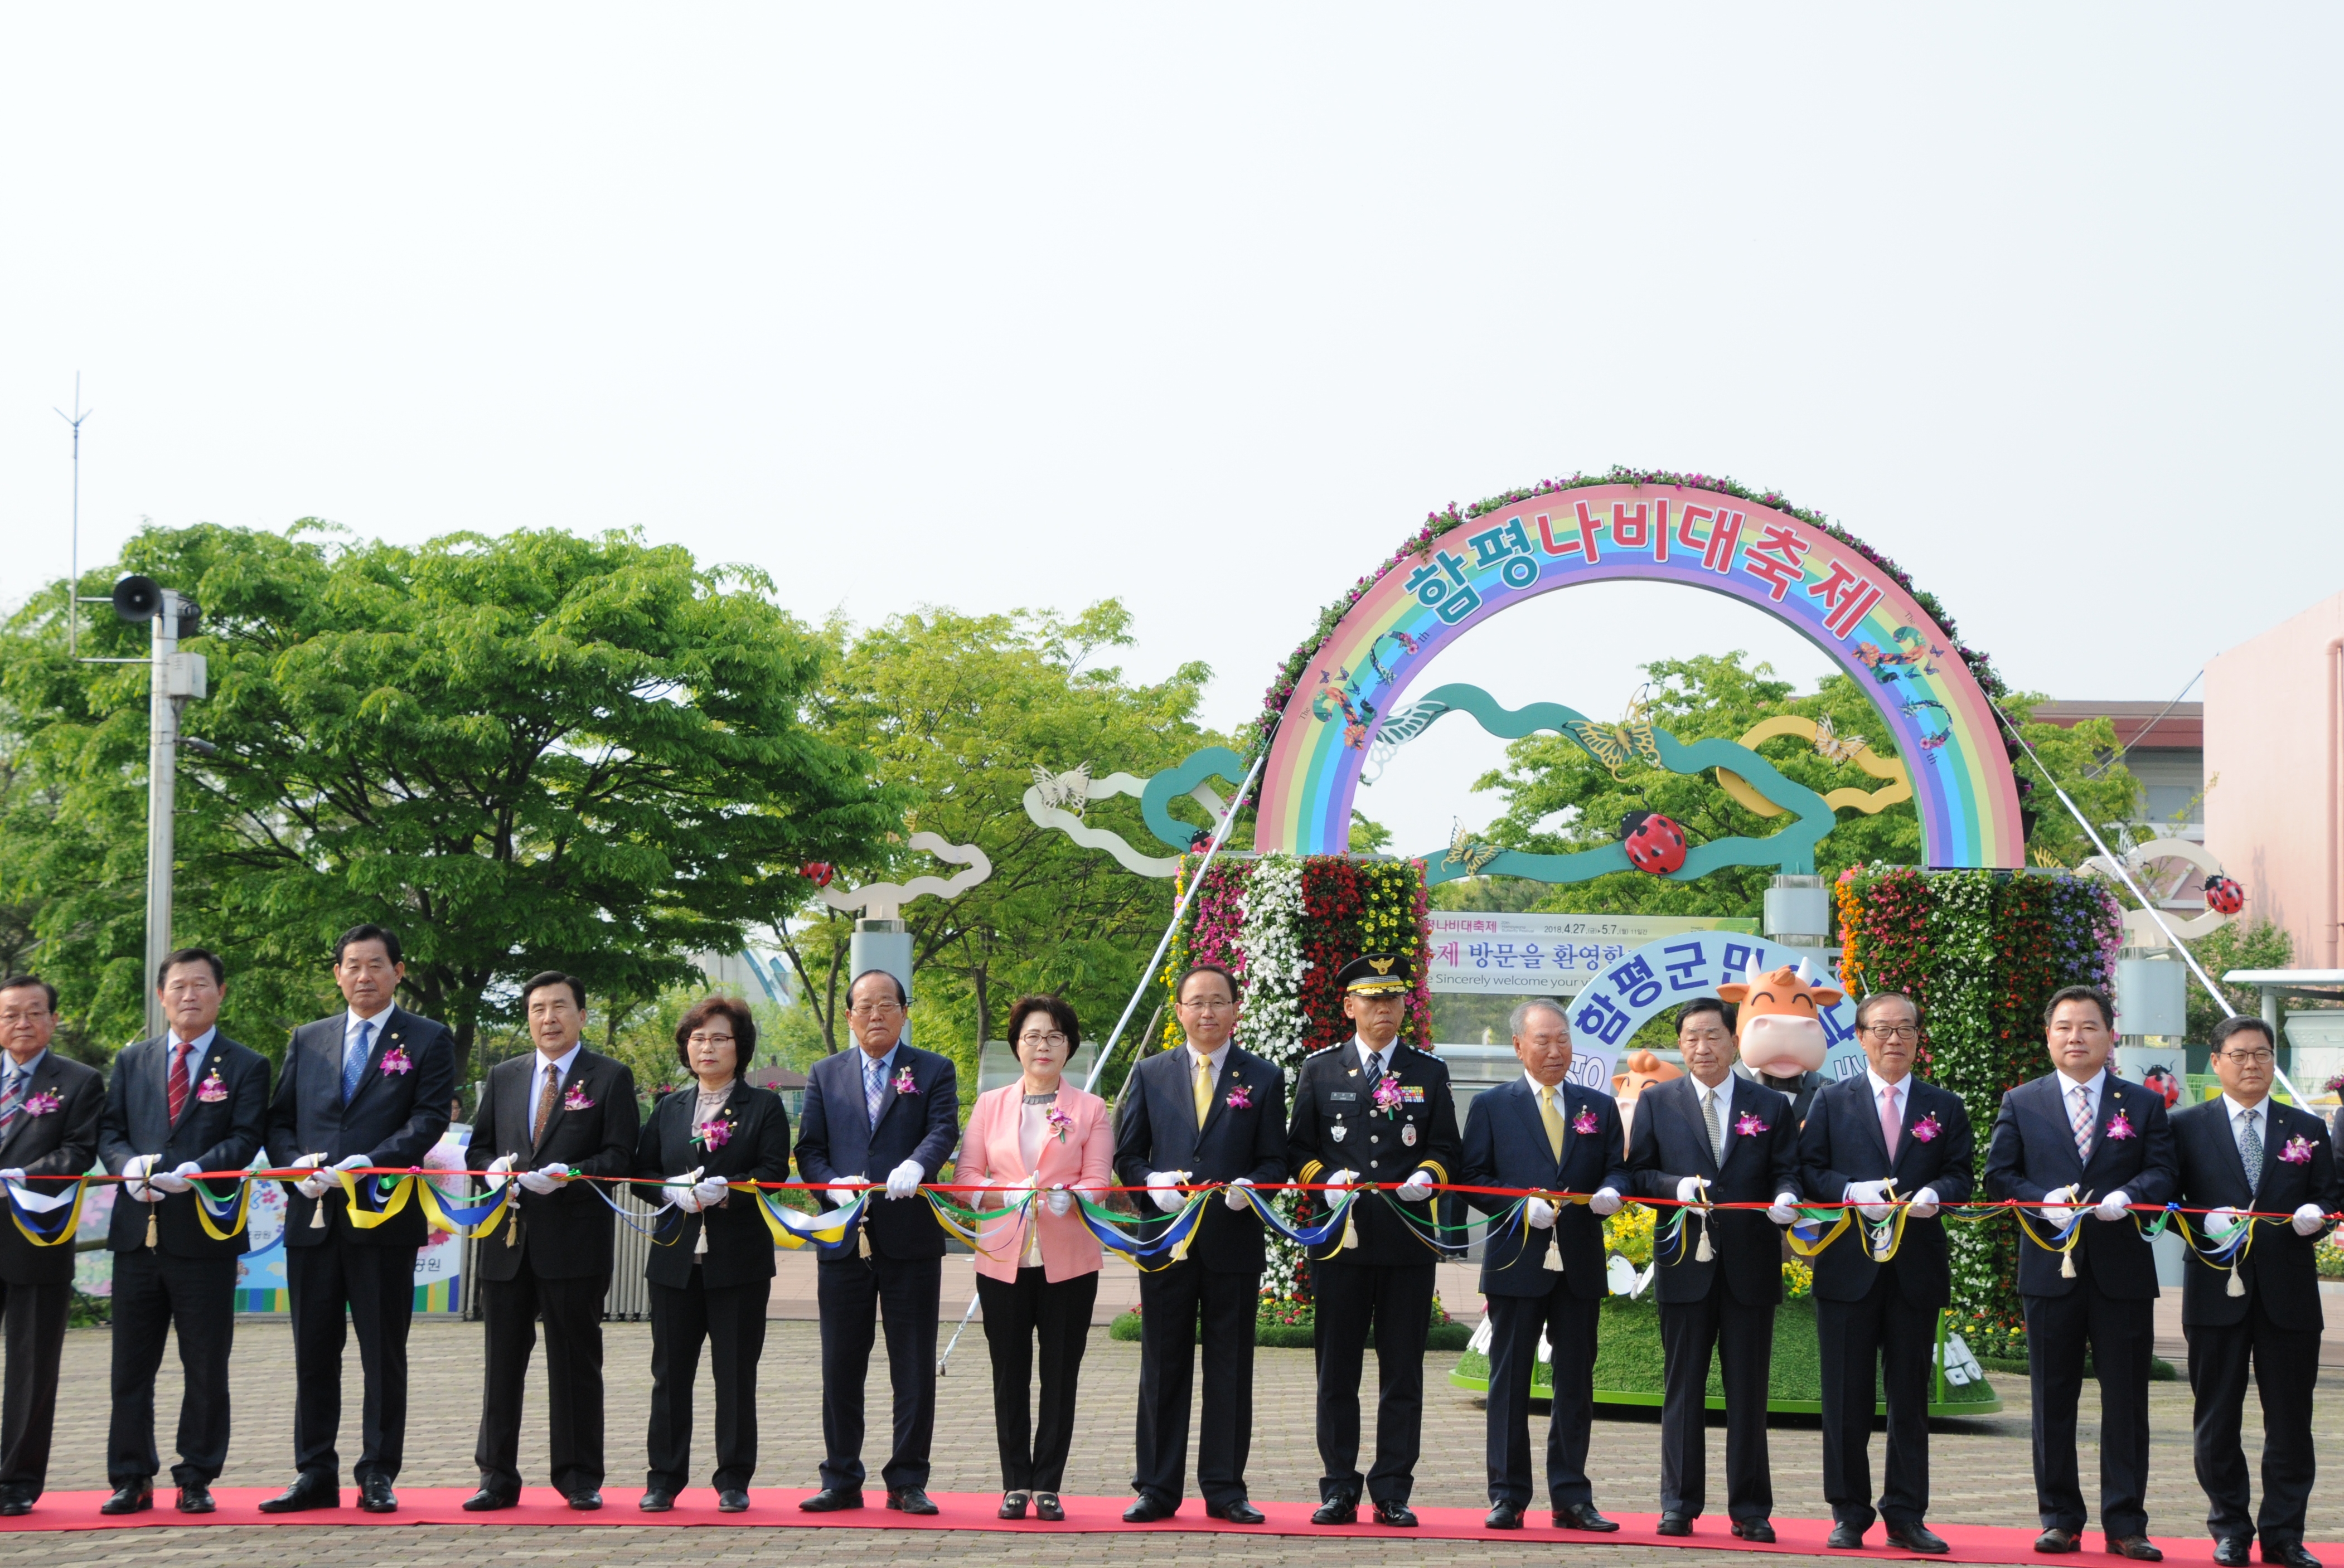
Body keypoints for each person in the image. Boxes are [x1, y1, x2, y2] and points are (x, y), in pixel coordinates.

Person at [261, 924, 457, 1514]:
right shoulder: (309, 1037)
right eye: (352, 965)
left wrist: (370, 1161)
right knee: (314, 1351)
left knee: (381, 1349)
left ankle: (377, 1470)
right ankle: (314, 1471)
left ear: (399, 970)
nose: (363, 976)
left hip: (383, 1213)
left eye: (376, 964)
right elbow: (278, 1120)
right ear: (337, 973)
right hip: (313, 1214)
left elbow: (428, 1119)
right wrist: (297, 1165)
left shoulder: (427, 1037)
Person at [1984, 985, 2179, 1561]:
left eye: (2088, 1026)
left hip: (2120, 1273)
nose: (2076, 1036)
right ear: (2048, 1036)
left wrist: (2130, 1193)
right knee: (2051, 1399)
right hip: (2049, 1270)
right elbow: (1999, 1175)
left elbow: (2163, 1171)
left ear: (2108, 1035)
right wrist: (2037, 1198)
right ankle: (2059, 1517)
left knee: (2126, 1400)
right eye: (2064, 1026)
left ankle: (2125, 1522)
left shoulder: (2141, 1104)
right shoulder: (2022, 1100)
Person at [1283, 953, 1461, 1528]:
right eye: (1371, 997)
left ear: (1406, 1004)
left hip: (1408, 1240)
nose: (1384, 1008)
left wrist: (1427, 1176)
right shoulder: (1321, 1069)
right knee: (1336, 1369)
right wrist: (1322, 1180)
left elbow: (1445, 1146)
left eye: (1393, 997)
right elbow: (1296, 1149)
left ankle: (1391, 1487)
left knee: (1402, 1370)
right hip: (1342, 1240)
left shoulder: (1427, 1070)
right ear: (1348, 1005)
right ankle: (1338, 1485)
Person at [1795, 989, 1973, 1555]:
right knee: (1845, 1396)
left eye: (1905, 1029)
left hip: (1914, 1270)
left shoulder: (1943, 1106)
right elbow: (1808, 1170)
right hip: (1847, 1269)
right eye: (1881, 1029)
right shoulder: (1831, 1100)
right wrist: (1849, 1191)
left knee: (1909, 1398)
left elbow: (1961, 1175)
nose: (1893, 1038)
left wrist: (1935, 1194)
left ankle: (1905, 1512)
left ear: (1919, 1038)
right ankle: (1848, 1510)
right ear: (1860, 1036)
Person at [96, 949, 270, 1516]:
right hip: (136, 1235)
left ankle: (196, 1473)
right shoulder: (133, 1060)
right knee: (130, 1367)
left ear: (221, 992)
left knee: (205, 1364)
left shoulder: (246, 1063)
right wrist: (126, 1165)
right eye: (178, 985)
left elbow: (246, 1137)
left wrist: (197, 1170)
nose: (189, 994)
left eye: (201, 984)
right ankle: (130, 1475)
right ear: (161, 995)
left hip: (204, 1235)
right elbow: (111, 1129)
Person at [1112, 962, 1287, 1524]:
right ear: (1180, 1010)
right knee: (1162, 1363)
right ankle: (1156, 1487)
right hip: (1167, 1239)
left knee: (1230, 1366)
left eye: (1218, 1001)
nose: (1207, 1011)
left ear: (1237, 1009)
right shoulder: (1149, 1072)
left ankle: (1225, 1486)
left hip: (1232, 1240)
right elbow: (1127, 1155)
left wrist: (1252, 1188)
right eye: (1196, 1002)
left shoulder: (1262, 1077)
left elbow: (1274, 1160)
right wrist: (1152, 1184)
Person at [1626, 996, 1802, 1542]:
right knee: (1683, 1388)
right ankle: (1679, 1502)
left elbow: (1786, 1169)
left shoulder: (1768, 1105)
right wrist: (1672, 1188)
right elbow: (1637, 1174)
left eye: (1712, 1035)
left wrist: (1787, 1196)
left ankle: (1751, 1508)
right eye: (1690, 1038)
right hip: (1684, 1262)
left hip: (1750, 1266)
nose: (1701, 1046)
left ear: (1733, 1040)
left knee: (1748, 1391)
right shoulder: (1659, 1102)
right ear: (1679, 1046)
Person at [465, 971, 640, 1511]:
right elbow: (478, 1151)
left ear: (581, 1014)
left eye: (560, 1006)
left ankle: (579, 1474)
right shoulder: (505, 1075)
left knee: (575, 1364)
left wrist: (574, 1172)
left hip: (574, 1243)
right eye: (538, 1007)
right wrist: (489, 1170)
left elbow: (620, 1159)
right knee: (501, 1366)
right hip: (508, 1244)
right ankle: (496, 1475)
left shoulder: (610, 1076)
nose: (549, 1017)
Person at [2169, 1015, 2337, 1568]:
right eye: (2238, 1054)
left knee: (2289, 1418)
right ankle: (2230, 1528)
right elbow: (2164, 1203)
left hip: (2288, 1296)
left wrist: (2319, 1217)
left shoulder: (2306, 1127)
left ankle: (2284, 1532)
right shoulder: (2185, 1126)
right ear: (2215, 1062)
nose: (2251, 1064)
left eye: (2262, 1054)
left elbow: (2328, 1197)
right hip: (2216, 1290)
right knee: (2216, 1416)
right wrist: (2200, 1222)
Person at [793, 969, 961, 1515]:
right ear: (848, 1015)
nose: (875, 1015)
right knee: (841, 1364)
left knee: (912, 1363)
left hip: (909, 1236)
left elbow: (943, 1128)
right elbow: (810, 1148)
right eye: (863, 1006)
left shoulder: (932, 1069)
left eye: (886, 1004)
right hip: (844, 1239)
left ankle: (907, 1478)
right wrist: (828, 1185)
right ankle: (840, 1476)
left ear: (904, 1010)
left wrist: (919, 1162)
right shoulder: (825, 1073)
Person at [1457, 996, 1628, 1533]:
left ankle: (1572, 1495)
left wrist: (1610, 1191)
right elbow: (1473, 1179)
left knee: (1575, 1382)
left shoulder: (1596, 1106)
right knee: (1510, 1380)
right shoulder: (1492, 1105)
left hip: (1578, 1260)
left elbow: (1620, 1170)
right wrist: (1516, 1204)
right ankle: (1508, 1494)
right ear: (1517, 1046)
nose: (1556, 1051)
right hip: (1517, 1260)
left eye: (1563, 1039)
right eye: (1543, 1040)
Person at [630, 996, 791, 1514]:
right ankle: (664, 1478)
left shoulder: (763, 1106)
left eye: (719, 1037)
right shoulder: (669, 1107)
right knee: (670, 1374)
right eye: (698, 1038)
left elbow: (773, 1173)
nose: (707, 1046)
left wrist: (732, 1188)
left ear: (739, 1047)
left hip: (737, 1262)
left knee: (736, 1373)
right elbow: (641, 1173)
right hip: (675, 1259)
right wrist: (669, 1190)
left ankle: (733, 1478)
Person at [956, 994, 1112, 1522]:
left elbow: (1100, 1180)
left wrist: (1079, 1195)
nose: (1042, 1045)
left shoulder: (1090, 1108)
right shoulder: (989, 1105)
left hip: (1067, 1257)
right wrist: (1005, 1194)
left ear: (1069, 1046)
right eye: (1032, 1036)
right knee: (1009, 1372)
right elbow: (965, 1179)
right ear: (1016, 1045)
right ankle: (1013, 1482)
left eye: (1054, 1036)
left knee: (1060, 1372)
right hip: (1002, 1256)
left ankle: (1048, 1482)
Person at [0, 974, 103, 1517]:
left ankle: (16, 1480)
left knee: (33, 1365)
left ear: (53, 1019)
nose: (23, 1022)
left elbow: (79, 1151)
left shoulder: (80, 1080)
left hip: (37, 1235)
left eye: (34, 1012)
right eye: (11, 1013)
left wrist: (16, 1176)